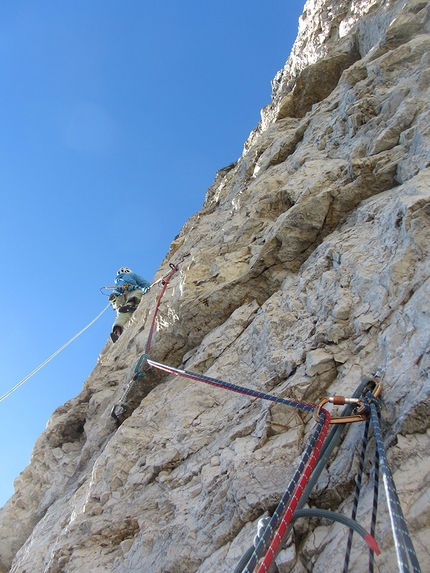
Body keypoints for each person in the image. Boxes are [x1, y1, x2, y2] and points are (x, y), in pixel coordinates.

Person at [109, 267, 151, 343]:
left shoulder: (117, 282)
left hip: (121, 298)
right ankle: (130, 304)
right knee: (137, 293)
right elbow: (144, 283)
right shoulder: (131, 275)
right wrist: (146, 289)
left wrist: (113, 300)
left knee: (121, 315)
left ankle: (117, 332)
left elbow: (115, 297)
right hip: (130, 291)